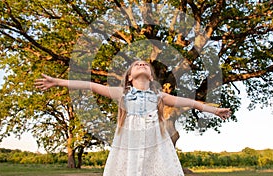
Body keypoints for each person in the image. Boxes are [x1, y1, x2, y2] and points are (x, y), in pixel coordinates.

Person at [35, 60, 231, 176]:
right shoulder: (122, 93)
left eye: (144, 64)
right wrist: (58, 82)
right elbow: (90, 85)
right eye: (136, 65)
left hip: (156, 142)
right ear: (130, 77)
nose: (141, 64)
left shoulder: (159, 96)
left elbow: (189, 102)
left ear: (151, 77)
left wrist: (213, 110)